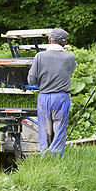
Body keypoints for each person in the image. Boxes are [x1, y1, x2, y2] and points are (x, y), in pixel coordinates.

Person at [27, 28, 76, 156]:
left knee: (44, 133)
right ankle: (55, 161)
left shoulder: (39, 56)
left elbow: (31, 81)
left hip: (44, 98)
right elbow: (70, 71)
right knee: (59, 133)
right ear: (65, 44)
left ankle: (45, 160)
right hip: (61, 97)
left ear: (49, 40)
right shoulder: (70, 57)